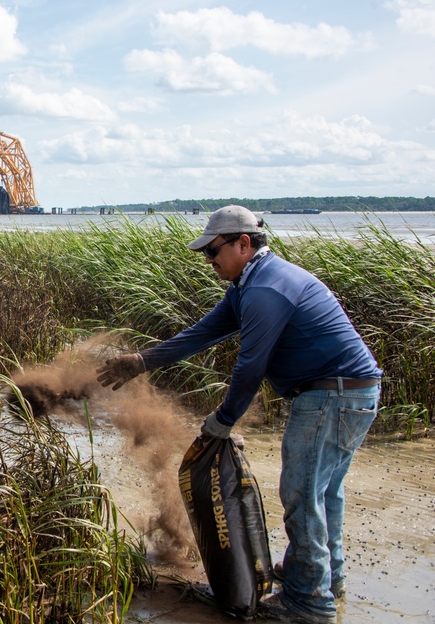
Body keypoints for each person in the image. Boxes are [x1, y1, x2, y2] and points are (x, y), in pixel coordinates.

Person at [95, 205, 381, 624]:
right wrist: (141, 361)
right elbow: (202, 333)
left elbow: (251, 365)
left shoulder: (267, 290)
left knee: (301, 493)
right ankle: (321, 579)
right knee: (323, 493)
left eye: (213, 251)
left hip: (331, 397)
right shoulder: (251, 284)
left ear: (243, 243)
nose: (209, 261)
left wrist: (223, 421)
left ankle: (309, 604)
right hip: (349, 393)